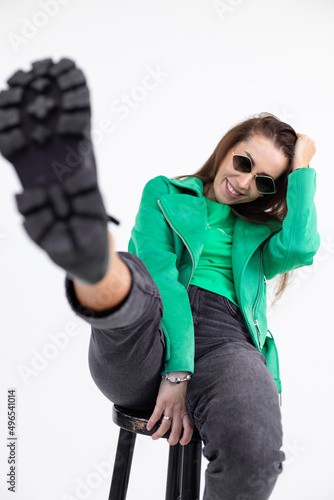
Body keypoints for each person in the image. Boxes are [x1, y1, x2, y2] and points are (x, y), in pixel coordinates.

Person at [0, 57, 320, 500]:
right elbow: (167, 282)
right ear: (226, 148)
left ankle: (95, 256)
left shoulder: (260, 233)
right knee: (142, 279)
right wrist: (177, 371)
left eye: (265, 182)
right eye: (243, 162)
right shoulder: (166, 194)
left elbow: (301, 247)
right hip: (147, 330)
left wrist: (303, 166)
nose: (245, 182)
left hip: (226, 343)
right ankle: (92, 256)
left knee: (256, 452)